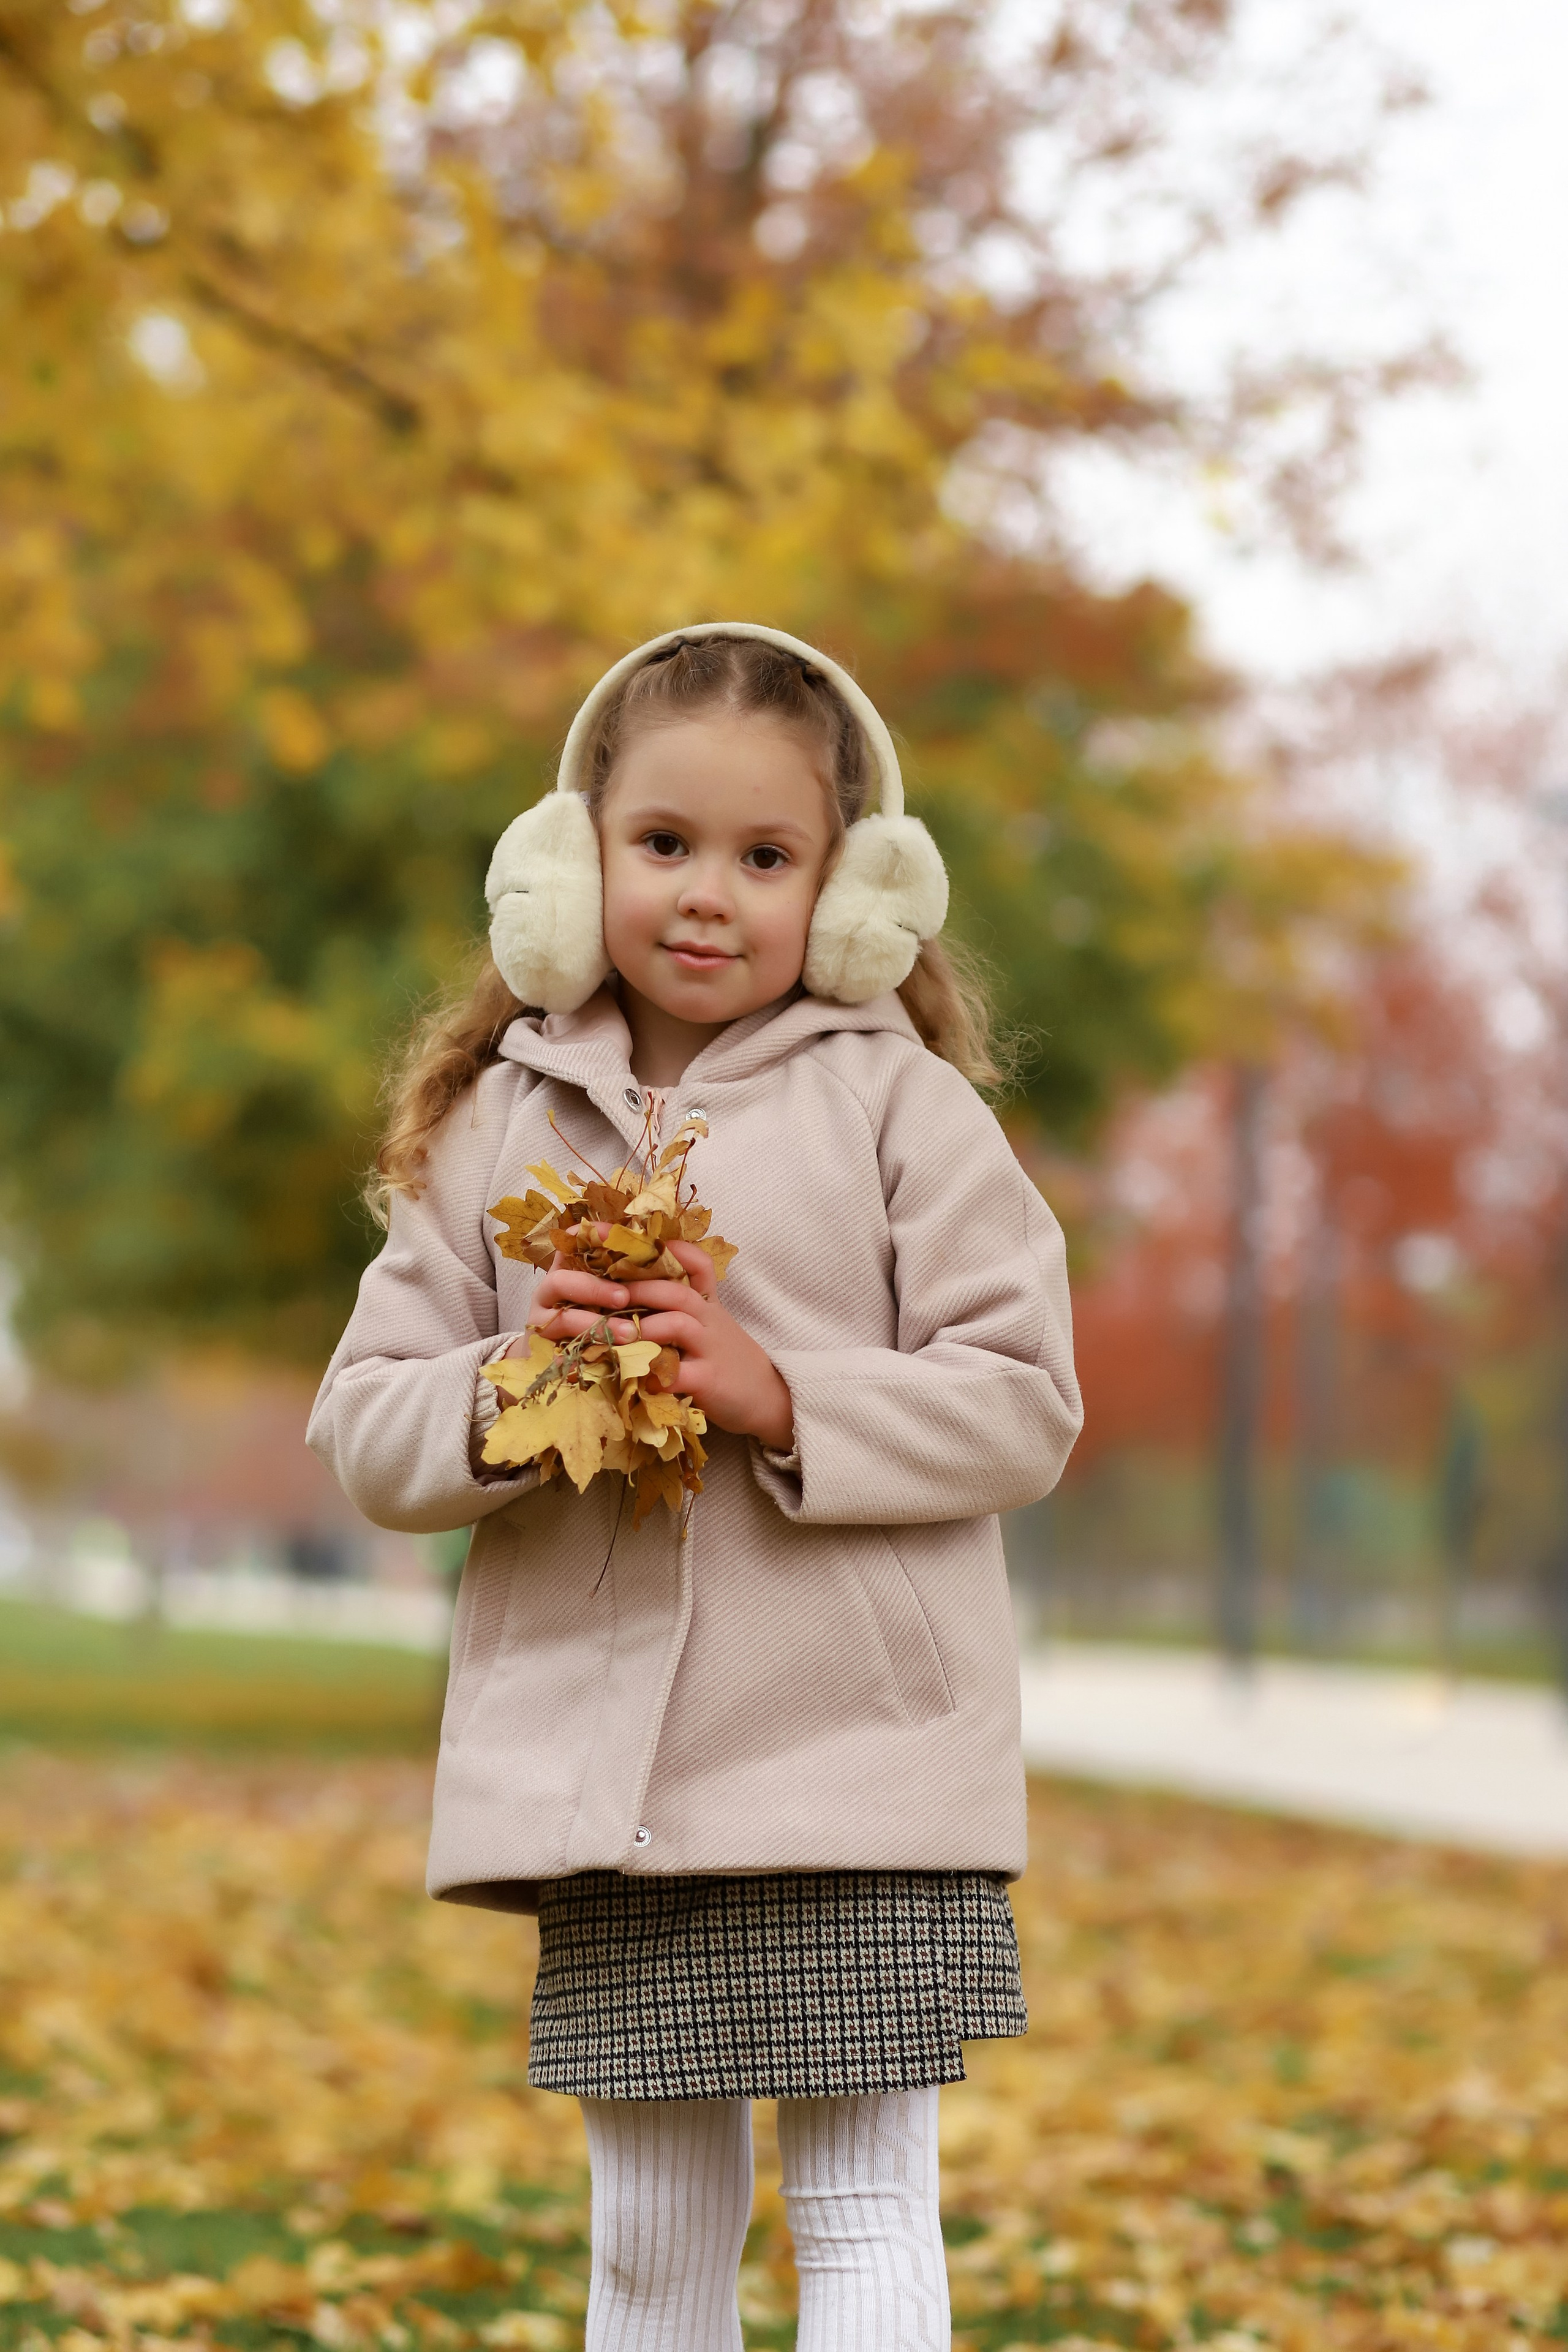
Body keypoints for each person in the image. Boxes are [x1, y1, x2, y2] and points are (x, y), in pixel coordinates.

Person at [309, 622, 1082, 2351]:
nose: (709, 895)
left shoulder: (906, 1111)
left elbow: (1026, 1403)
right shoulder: (496, 1126)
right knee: (653, 2242)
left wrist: (780, 1392)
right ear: (571, 864)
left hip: (862, 1771)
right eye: (663, 843)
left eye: (767, 856)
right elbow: (363, 1425)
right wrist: (517, 1393)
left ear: (854, 892)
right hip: (622, 1791)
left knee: (864, 2212)